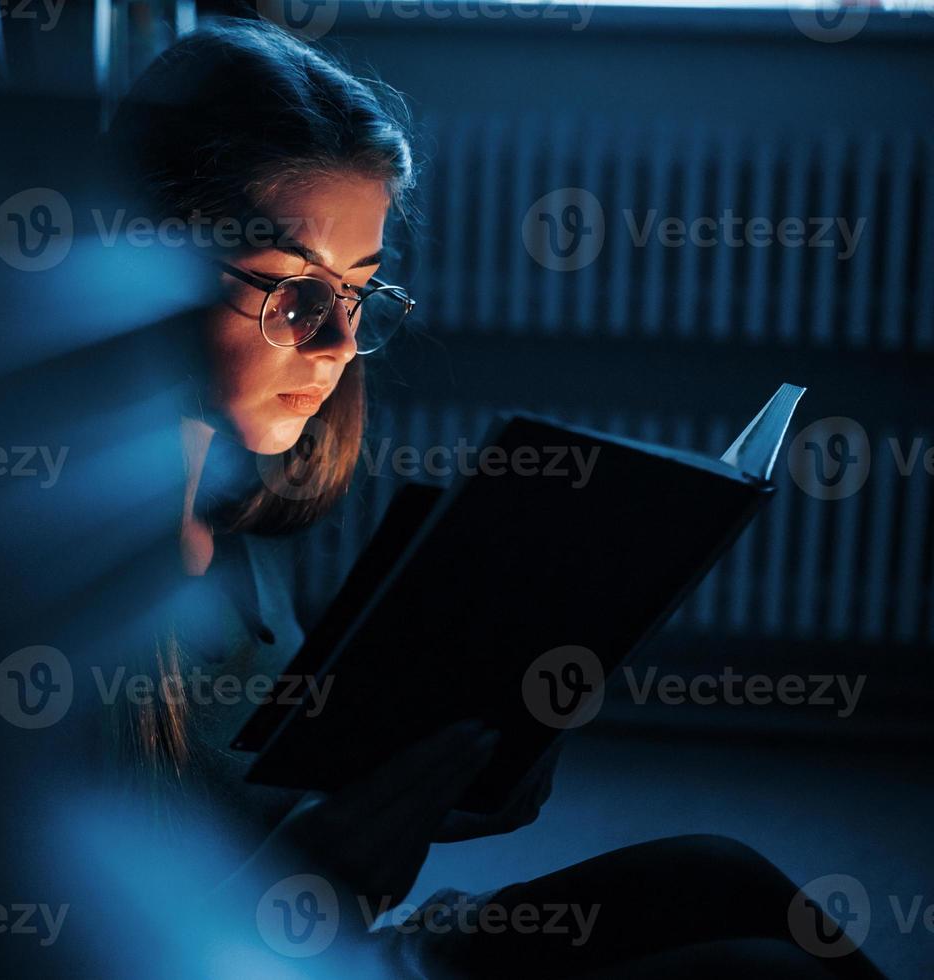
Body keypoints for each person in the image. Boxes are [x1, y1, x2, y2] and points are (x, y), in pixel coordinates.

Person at [86, 17, 888, 979]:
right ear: (144, 262)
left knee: (719, 877)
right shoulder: (60, 597)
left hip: (333, 940)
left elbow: (276, 794)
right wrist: (305, 885)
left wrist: (457, 775)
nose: (339, 346)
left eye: (360, 293)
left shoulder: (239, 518)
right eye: (294, 289)